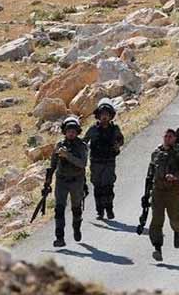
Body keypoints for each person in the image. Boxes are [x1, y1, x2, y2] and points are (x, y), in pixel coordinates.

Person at [139, 129, 179, 261]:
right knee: (156, 220)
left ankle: (177, 231)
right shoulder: (156, 153)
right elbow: (150, 174)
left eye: (170, 136)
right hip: (158, 192)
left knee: (174, 218)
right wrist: (146, 194)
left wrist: (175, 176)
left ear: (175, 139)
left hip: (173, 192)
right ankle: (157, 248)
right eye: (165, 136)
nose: (167, 138)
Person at [44, 115, 88, 248]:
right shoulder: (59, 145)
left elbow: (82, 164)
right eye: (69, 130)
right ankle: (60, 237)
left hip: (76, 181)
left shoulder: (82, 146)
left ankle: (76, 227)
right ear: (65, 132)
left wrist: (68, 156)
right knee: (59, 209)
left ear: (77, 132)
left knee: (76, 208)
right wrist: (47, 182)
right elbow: (52, 165)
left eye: (74, 131)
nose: (71, 133)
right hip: (62, 181)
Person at [82, 98, 124, 220]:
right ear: (98, 116)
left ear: (110, 116)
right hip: (96, 162)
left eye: (107, 114)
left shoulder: (115, 129)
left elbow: (121, 140)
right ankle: (100, 211)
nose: (104, 117)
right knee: (98, 187)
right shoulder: (93, 129)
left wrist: (117, 145)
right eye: (102, 114)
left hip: (109, 161)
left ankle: (109, 208)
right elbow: (84, 142)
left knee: (108, 186)